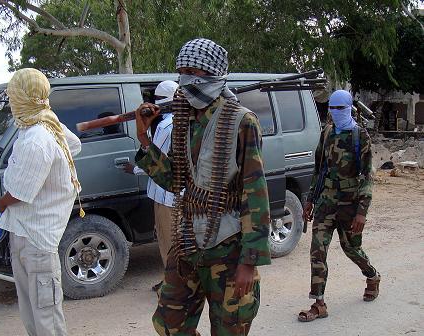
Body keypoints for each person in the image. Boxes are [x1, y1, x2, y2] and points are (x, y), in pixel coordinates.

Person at [134, 38, 271, 336]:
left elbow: (255, 193)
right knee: (168, 324)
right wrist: (145, 140)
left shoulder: (241, 121)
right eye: (181, 71)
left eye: (193, 71)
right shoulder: (186, 120)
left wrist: (250, 261)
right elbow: (176, 181)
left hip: (229, 244)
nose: (185, 79)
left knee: (231, 329)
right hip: (188, 241)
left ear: (212, 74)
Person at [0, 68, 82, 336]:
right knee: (32, 310)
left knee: (46, 317)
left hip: (35, 240)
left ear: (23, 98)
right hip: (25, 231)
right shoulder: (45, 123)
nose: (11, 101)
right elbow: (75, 145)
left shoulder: (38, 138)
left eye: (13, 96)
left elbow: (18, 193)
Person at [299, 89, 380, 322]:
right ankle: (319, 302)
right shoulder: (326, 134)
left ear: (349, 108)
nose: (335, 113)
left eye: (340, 109)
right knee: (317, 250)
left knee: (351, 249)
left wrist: (362, 213)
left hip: (350, 205)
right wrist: (310, 200)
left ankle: (372, 276)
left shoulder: (360, 137)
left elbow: (367, 177)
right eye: (332, 108)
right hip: (326, 202)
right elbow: (319, 169)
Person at [122, 80, 179, 292]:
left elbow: (156, 159)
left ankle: (174, 286)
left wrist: (135, 168)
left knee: (168, 241)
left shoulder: (166, 125)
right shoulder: (175, 122)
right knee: (169, 239)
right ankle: (171, 280)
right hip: (170, 194)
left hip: (167, 196)